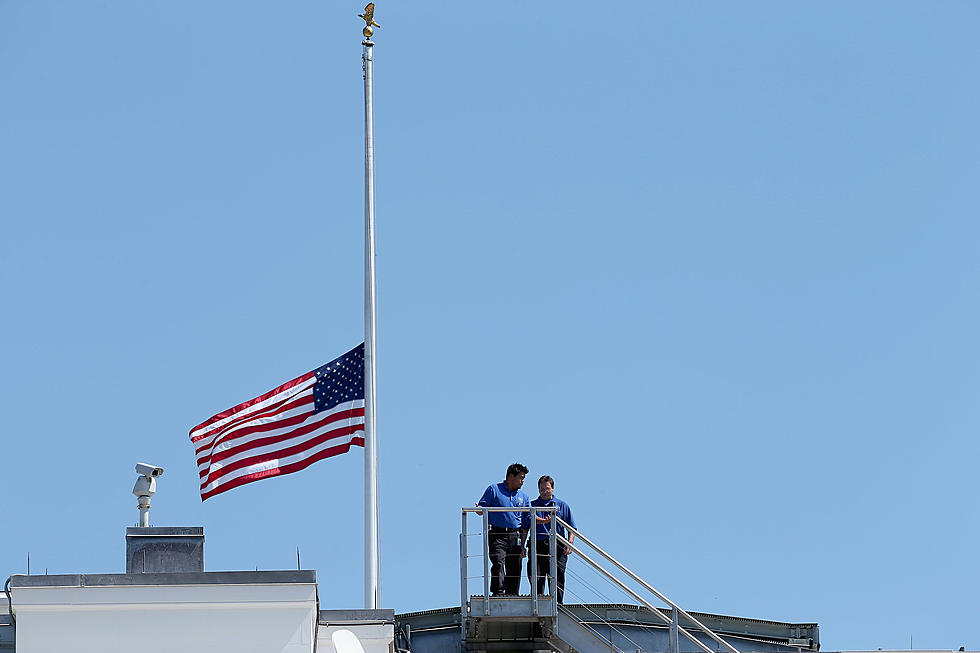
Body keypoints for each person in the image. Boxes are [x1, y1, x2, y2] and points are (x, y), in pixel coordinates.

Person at [477, 463, 530, 596]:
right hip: (497, 533)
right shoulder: (493, 489)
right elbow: (482, 507)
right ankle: (498, 592)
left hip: (515, 534)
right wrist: (479, 510)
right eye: (521, 478)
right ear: (511, 476)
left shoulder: (523, 496)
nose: (522, 481)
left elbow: (528, 518)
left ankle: (513, 594)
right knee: (498, 562)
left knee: (515, 565)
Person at [523, 475, 576, 604]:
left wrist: (570, 544)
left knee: (557, 576)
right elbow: (525, 527)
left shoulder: (562, 506)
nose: (544, 492)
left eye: (547, 489)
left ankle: (558, 604)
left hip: (557, 545)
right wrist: (522, 546)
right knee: (537, 576)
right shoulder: (532, 505)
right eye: (542, 489)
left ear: (552, 488)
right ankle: (537, 603)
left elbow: (572, 528)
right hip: (537, 544)